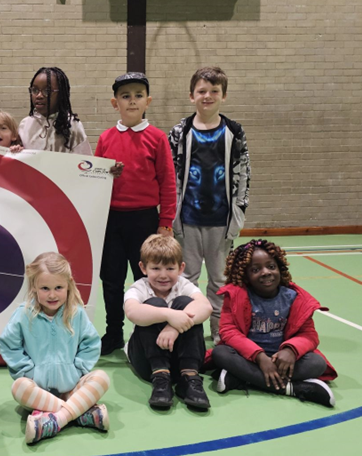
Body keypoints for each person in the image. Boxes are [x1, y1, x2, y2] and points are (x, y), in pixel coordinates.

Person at [95, 72, 177, 355]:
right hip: (112, 221)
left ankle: (148, 330)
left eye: (138, 95)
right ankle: (114, 332)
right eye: (125, 96)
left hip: (145, 220)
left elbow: (167, 181)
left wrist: (165, 222)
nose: (132, 101)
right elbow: (95, 180)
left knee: (148, 279)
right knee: (112, 280)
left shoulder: (156, 138)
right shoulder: (105, 138)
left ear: (148, 101)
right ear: (114, 102)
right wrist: (107, 174)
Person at [168, 66, 251, 344]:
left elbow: (243, 174)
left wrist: (238, 213)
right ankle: (187, 328)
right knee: (187, 277)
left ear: (223, 95)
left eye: (214, 91)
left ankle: (219, 331)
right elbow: (171, 175)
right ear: (191, 96)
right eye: (202, 91)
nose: (208, 96)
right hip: (187, 220)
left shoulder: (234, 132)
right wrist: (170, 216)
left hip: (220, 220)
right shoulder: (180, 131)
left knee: (219, 281)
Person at [0, 252, 110, 445]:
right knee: (18, 387)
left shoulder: (77, 313)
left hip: (71, 387)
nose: (52, 294)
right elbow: (9, 345)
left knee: (101, 378)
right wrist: (28, 372)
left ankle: (55, 420)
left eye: (58, 287)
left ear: (68, 285)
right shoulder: (23, 314)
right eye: (45, 288)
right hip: (38, 391)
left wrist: (79, 370)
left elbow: (90, 344)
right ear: (34, 287)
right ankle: (78, 413)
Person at [210, 239, 337, 407]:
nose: (265, 272)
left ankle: (242, 378)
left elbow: (309, 335)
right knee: (220, 353)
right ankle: (293, 388)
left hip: (283, 360)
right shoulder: (236, 295)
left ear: (280, 268)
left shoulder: (294, 298)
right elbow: (228, 330)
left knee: (317, 364)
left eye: (271, 266)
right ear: (245, 275)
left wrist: (291, 350)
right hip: (249, 357)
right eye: (256, 270)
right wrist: (259, 357)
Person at [124, 234, 212, 410]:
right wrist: (168, 315)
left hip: (179, 357)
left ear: (181, 268)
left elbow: (205, 306)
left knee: (186, 303)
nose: (163, 275)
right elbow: (132, 311)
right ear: (143, 268)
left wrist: (174, 327)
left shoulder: (183, 285)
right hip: (148, 361)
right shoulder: (139, 287)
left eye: (170, 268)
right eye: (156, 268)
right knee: (153, 305)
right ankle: (160, 377)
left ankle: (190, 377)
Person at [18, 67, 91, 155]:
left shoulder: (72, 125)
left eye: (47, 91)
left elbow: (85, 162)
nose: (39, 95)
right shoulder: (25, 125)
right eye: (35, 90)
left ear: (61, 94)